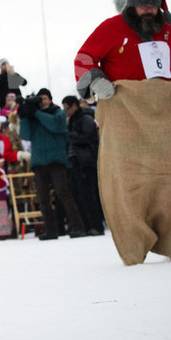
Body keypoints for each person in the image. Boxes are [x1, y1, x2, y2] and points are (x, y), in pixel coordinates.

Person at [74, 0, 171, 265]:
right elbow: (84, 57)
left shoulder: (169, 29)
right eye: (140, 5)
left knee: (166, 180)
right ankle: (132, 243)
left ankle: (166, 237)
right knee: (126, 181)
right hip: (124, 112)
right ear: (131, 5)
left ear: (159, 6)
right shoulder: (111, 28)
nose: (146, 11)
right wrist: (96, 81)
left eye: (151, 6)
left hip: (161, 115)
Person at [17, 90, 85, 239]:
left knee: (63, 193)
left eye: (45, 99)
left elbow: (55, 126)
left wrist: (36, 113)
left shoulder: (58, 113)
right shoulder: (33, 116)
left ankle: (78, 226)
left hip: (56, 160)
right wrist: (23, 116)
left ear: (50, 99)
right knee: (42, 198)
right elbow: (25, 135)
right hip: (39, 161)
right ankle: (50, 230)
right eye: (39, 99)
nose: (42, 102)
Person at [62, 95, 105, 236]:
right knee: (80, 195)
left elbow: (89, 138)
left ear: (74, 106)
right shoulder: (72, 121)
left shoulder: (85, 119)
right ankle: (86, 226)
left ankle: (96, 226)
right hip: (76, 163)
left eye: (67, 108)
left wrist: (70, 135)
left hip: (86, 163)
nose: (66, 112)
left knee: (89, 196)